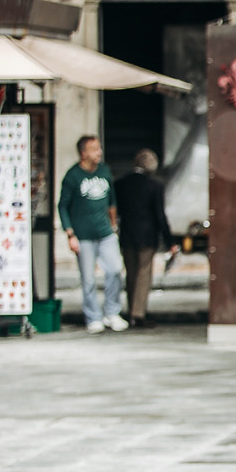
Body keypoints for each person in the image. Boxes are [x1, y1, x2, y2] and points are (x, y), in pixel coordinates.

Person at [59, 135, 127, 334]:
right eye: (95, 149)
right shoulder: (73, 176)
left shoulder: (105, 171)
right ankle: (93, 317)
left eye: (99, 148)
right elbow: (62, 206)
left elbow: (111, 200)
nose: (99, 153)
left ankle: (112, 312)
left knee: (115, 269)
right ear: (83, 153)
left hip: (105, 232)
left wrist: (113, 226)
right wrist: (70, 234)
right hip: (83, 235)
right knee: (88, 278)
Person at [114, 149, 174, 329]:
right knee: (143, 274)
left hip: (127, 234)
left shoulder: (120, 184)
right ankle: (137, 313)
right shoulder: (155, 186)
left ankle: (131, 309)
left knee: (131, 274)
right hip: (147, 236)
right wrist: (170, 241)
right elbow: (160, 215)